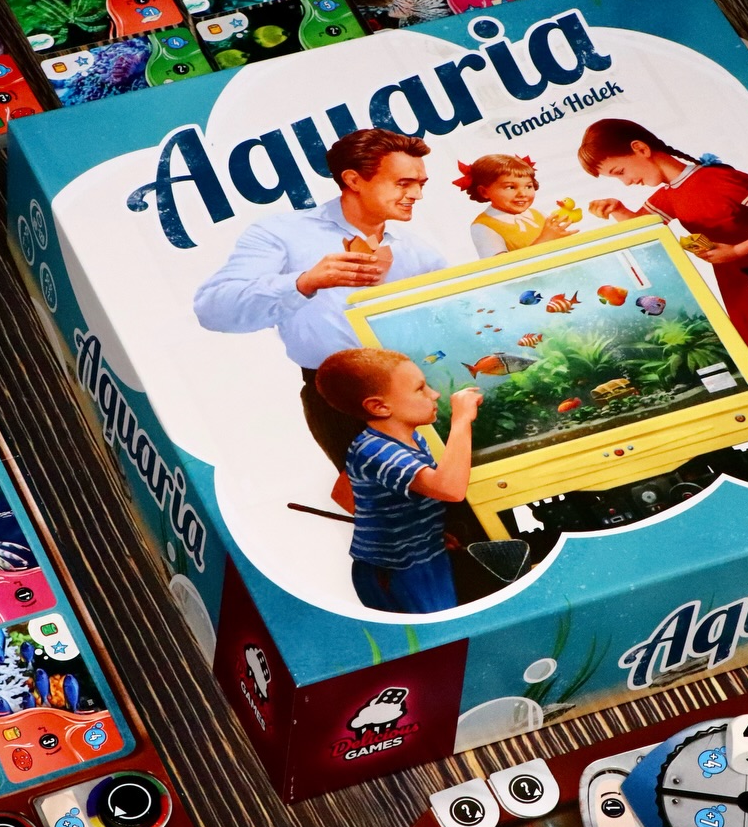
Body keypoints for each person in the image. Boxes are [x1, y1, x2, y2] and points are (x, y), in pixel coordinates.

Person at [193, 128, 446, 470]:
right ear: (353, 180)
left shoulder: (419, 252)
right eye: (403, 183)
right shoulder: (281, 233)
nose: (417, 194)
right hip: (339, 401)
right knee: (388, 502)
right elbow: (213, 309)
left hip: (424, 390)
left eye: (420, 184)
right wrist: (304, 283)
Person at [577, 117, 748, 398]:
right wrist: (618, 209)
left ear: (640, 149)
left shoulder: (717, 178)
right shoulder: (669, 195)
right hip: (737, 284)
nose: (626, 182)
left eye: (621, 171)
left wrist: (738, 250)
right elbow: (642, 230)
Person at [314, 348, 484, 614]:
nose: (434, 394)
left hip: (424, 556)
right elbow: (449, 489)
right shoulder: (376, 451)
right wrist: (461, 419)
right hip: (398, 571)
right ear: (379, 407)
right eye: (420, 389)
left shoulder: (410, 438)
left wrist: (421, 533)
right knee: (437, 629)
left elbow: (354, 493)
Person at [458, 154, 576, 257]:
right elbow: (500, 268)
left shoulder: (537, 214)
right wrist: (544, 240)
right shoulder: (483, 226)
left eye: (528, 186)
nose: (522, 194)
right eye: (511, 187)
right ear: (484, 192)